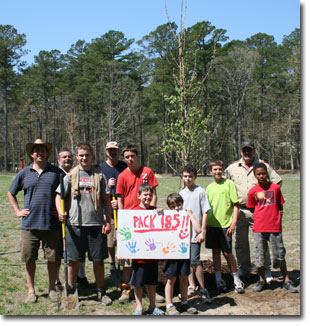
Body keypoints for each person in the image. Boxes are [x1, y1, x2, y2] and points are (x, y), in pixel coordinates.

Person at [7, 139, 64, 304]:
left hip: (51, 224)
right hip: (29, 225)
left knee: (53, 259)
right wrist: (17, 211)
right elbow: (11, 193)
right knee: (29, 259)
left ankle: (52, 289)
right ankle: (31, 291)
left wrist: (61, 209)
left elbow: (68, 191)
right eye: (36, 151)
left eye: (43, 150)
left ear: (47, 153)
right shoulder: (24, 173)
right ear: (31, 154)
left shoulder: (57, 172)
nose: (40, 153)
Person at [55, 142, 112, 305]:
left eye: (86, 155)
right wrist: (60, 211)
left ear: (91, 156)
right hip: (75, 225)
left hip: (96, 225)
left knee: (98, 261)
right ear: (77, 157)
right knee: (73, 260)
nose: (84, 158)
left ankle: (101, 291)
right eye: (80, 155)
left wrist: (107, 221)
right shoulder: (70, 175)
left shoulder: (99, 175)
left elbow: (107, 201)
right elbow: (58, 196)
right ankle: (72, 292)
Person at [225, 141, 282, 282]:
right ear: (240, 151)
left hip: (260, 210)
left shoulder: (263, 165)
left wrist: (266, 197)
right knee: (240, 242)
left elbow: (277, 182)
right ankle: (244, 269)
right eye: (244, 150)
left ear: (254, 151)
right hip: (239, 210)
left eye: (249, 150)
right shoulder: (232, 168)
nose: (247, 152)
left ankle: (266, 270)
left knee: (262, 242)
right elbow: (226, 185)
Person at [116, 144, 160, 303]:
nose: (129, 159)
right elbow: (120, 198)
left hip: (147, 221)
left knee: (148, 257)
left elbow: (154, 192)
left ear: (137, 156)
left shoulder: (147, 172)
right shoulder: (122, 175)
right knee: (128, 260)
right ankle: (126, 289)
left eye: (132, 156)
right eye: (126, 157)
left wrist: (152, 212)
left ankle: (151, 290)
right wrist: (122, 218)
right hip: (130, 221)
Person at [247, 163, 298, 293]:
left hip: (274, 226)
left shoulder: (275, 188)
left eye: (263, 173)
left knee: (279, 254)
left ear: (267, 174)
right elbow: (252, 208)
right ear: (255, 175)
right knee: (260, 255)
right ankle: (261, 280)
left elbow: (281, 205)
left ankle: (286, 280)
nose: (261, 176)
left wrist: (278, 217)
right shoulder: (253, 191)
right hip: (259, 227)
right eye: (258, 174)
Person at [205, 160, 244, 294]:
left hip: (225, 225)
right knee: (215, 252)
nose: (217, 172)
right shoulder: (209, 187)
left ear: (223, 170)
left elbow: (236, 205)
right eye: (214, 169)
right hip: (212, 225)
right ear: (211, 172)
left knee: (227, 253)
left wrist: (233, 223)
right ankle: (218, 279)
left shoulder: (229, 184)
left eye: (219, 169)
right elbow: (206, 207)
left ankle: (236, 278)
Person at [57, 147, 91, 288]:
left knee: (77, 251)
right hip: (62, 218)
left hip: (79, 218)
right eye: (64, 157)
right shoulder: (58, 174)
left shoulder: (79, 172)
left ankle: (80, 276)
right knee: (62, 251)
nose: (67, 159)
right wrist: (60, 211)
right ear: (59, 160)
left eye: (69, 157)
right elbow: (58, 195)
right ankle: (58, 281)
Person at [129, 183, 164, 315]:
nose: (148, 197)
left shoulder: (155, 211)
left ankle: (152, 306)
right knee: (138, 283)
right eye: (145, 194)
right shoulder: (133, 212)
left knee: (152, 283)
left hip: (153, 258)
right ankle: (139, 307)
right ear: (139, 196)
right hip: (139, 258)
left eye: (150, 194)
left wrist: (160, 214)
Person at [179, 164, 212, 304]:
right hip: (183, 234)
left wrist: (202, 231)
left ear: (195, 177)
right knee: (186, 261)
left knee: (195, 261)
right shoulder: (181, 193)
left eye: (190, 177)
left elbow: (205, 212)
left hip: (196, 233)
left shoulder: (200, 192)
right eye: (185, 176)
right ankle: (192, 286)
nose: (188, 179)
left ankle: (203, 289)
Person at [164, 193, 200, 315]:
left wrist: (191, 215)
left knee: (184, 278)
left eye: (178, 205)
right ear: (169, 207)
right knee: (171, 279)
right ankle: (169, 305)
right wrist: (159, 212)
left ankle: (184, 302)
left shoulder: (186, 216)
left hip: (184, 251)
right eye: (173, 206)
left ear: (182, 204)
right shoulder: (168, 216)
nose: (176, 208)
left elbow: (198, 230)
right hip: (172, 252)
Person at [100, 141, 127, 277]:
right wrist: (107, 185)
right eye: (110, 150)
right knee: (110, 240)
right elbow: (97, 190)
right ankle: (111, 264)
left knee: (123, 238)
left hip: (123, 210)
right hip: (108, 210)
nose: (112, 152)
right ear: (106, 151)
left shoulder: (124, 166)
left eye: (115, 150)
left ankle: (123, 264)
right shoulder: (100, 168)